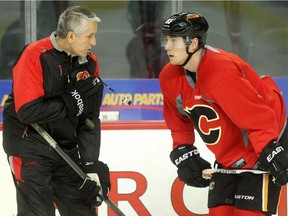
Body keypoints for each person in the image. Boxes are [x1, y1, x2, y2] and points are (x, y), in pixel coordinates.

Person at [159, 11, 288, 216]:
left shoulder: (221, 71)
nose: (166, 46)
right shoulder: (169, 76)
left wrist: (270, 151)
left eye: (173, 40)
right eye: (166, 39)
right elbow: (179, 119)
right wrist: (183, 149)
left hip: (264, 141)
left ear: (193, 43)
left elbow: (257, 118)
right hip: (230, 156)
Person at [2, 6, 110, 216]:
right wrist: (71, 101)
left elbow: (89, 118)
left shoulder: (89, 63)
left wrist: (90, 163)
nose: (94, 43)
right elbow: (28, 112)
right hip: (29, 145)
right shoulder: (34, 55)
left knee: (83, 211)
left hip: (66, 149)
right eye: (90, 36)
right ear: (70, 36)